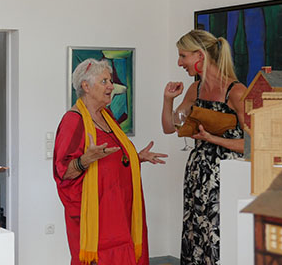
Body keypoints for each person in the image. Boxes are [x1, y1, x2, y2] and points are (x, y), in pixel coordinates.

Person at [54, 58, 167, 265]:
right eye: (104, 81)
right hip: (99, 216)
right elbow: (63, 172)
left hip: (121, 209)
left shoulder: (106, 116)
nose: (111, 86)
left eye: (110, 81)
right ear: (86, 86)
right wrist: (85, 160)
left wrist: (136, 158)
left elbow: (112, 158)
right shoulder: (73, 120)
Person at [161, 29, 245, 265]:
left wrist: (212, 139)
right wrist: (168, 100)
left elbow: (254, 144)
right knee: (195, 233)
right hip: (198, 174)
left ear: (200, 55)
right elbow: (170, 127)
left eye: (183, 56)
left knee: (217, 236)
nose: (179, 63)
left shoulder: (237, 92)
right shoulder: (195, 89)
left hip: (226, 175)